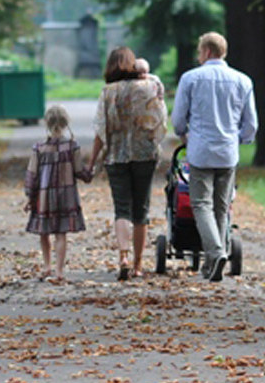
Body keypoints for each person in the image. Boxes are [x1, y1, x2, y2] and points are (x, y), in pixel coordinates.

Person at [171, 32, 257, 282]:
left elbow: (178, 119)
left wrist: (183, 135)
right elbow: (250, 123)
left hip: (200, 152)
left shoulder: (191, 78)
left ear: (207, 51)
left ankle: (216, 252)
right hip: (228, 153)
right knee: (222, 206)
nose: (199, 57)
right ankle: (213, 262)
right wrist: (238, 139)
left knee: (201, 205)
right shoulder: (242, 80)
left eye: (200, 52)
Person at [88, 46, 167, 281]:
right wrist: (144, 71)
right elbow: (160, 106)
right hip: (144, 155)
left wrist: (92, 161)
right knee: (140, 210)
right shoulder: (150, 86)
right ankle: (138, 265)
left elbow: (100, 132)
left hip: (116, 156)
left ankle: (122, 257)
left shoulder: (107, 92)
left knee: (121, 209)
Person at [23, 105, 92, 284]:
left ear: (46, 123)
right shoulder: (72, 147)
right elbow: (79, 171)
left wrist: (30, 198)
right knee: (61, 234)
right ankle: (59, 270)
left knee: (44, 232)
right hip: (65, 196)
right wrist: (90, 173)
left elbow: (32, 176)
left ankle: (47, 266)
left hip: (44, 197)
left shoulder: (39, 149)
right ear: (66, 123)